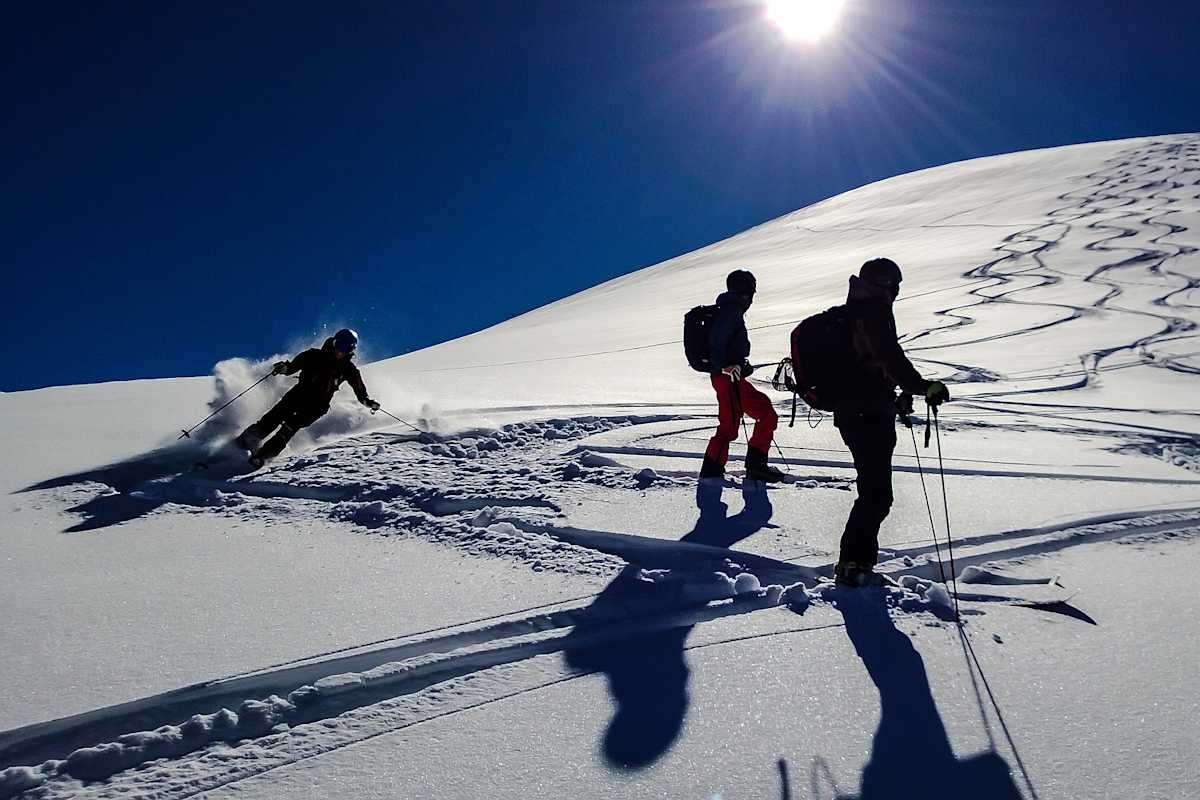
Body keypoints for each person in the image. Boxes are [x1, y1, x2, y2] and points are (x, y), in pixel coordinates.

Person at [832, 258, 949, 587]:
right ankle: (854, 566)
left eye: (895, 282)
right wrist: (922, 386)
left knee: (873, 491)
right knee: (876, 494)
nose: (893, 289)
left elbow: (868, 364)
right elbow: (888, 355)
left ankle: (855, 563)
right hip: (866, 413)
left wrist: (891, 392)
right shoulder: (872, 311)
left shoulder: (852, 311)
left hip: (854, 410)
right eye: (889, 282)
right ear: (877, 283)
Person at [236, 328, 380, 467]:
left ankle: (263, 456)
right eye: (339, 345)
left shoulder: (349, 369)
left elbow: (359, 390)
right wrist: (285, 368)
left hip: (317, 406)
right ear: (333, 342)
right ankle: (244, 441)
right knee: (273, 417)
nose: (340, 351)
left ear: (351, 350)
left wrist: (367, 401)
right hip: (298, 394)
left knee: (289, 427)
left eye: (346, 349)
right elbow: (293, 367)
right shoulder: (313, 355)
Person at [700, 269, 786, 483]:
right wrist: (725, 366)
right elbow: (718, 340)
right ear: (746, 291)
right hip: (727, 377)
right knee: (730, 426)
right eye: (751, 291)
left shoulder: (730, 309)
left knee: (765, 412)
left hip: (731, 376)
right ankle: (712, 474)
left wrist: (738, 364)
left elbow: (727, 344)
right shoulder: (731, 310)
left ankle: (755, 466)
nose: (752, 297)